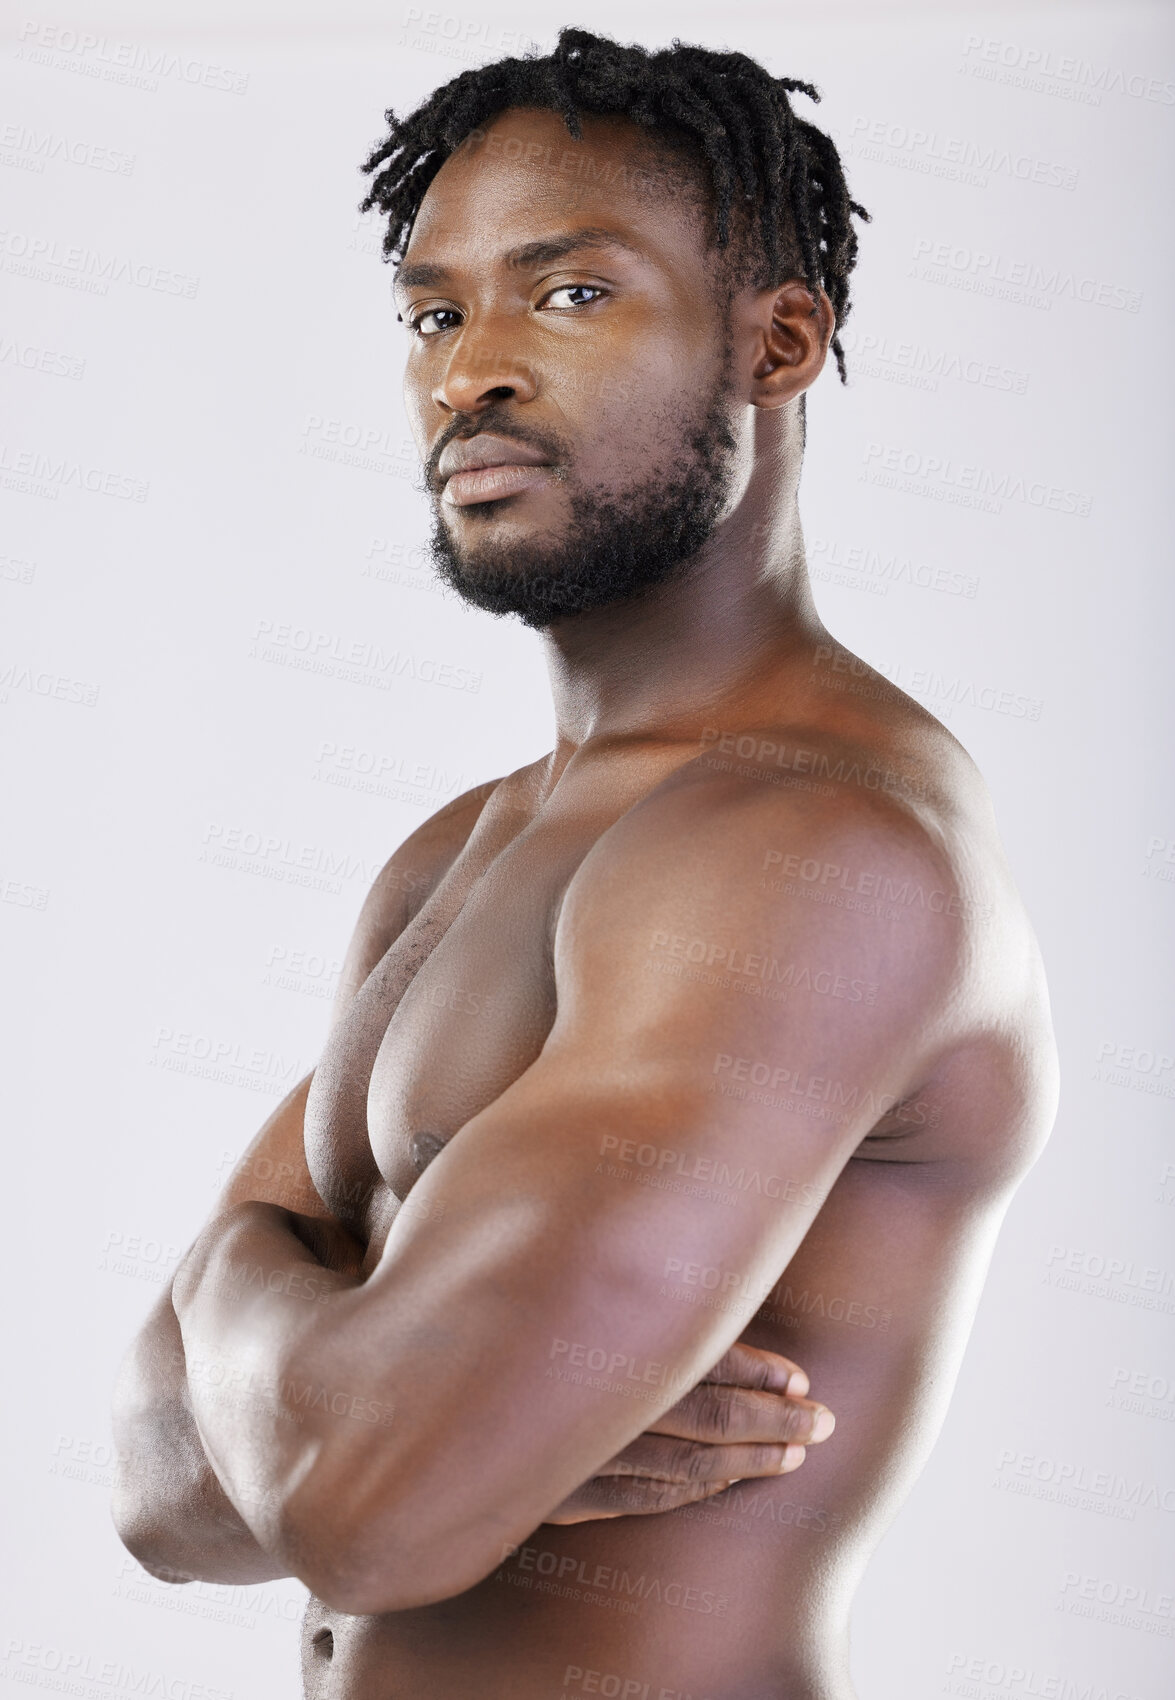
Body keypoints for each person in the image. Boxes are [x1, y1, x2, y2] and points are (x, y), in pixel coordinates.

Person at [111, 28, 1058, 1699]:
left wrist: (244, 1290)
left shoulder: (809, 842)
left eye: (567, 295)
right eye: (432, 310)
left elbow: (360, 1507)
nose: (470, 367)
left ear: (778, 343)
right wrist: (343, 1367)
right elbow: (156, 1497)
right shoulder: (456, 851)